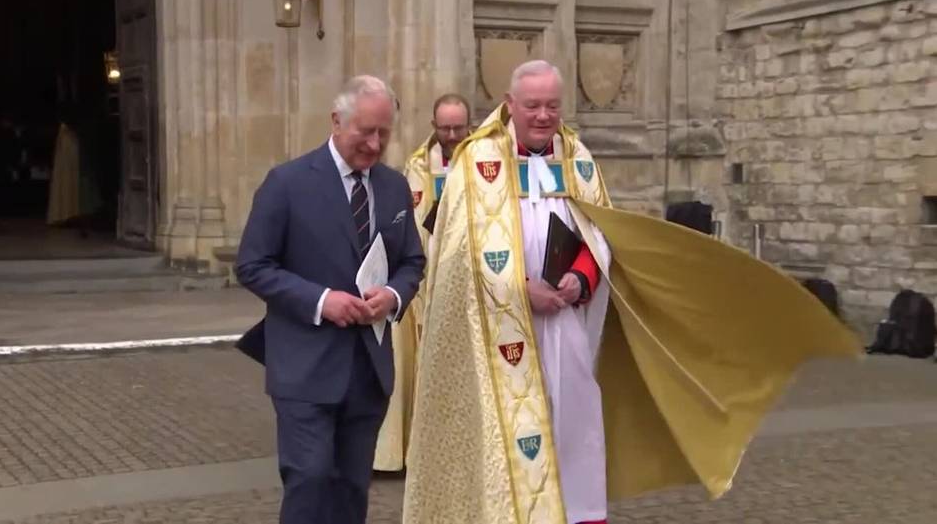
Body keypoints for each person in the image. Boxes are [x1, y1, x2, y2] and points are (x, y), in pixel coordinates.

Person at [402, 60, 860, 524]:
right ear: (510, 105)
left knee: (574, 425)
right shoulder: (476, 162)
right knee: (507, 434)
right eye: (533, 106)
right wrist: (518, 288)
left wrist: (581, 277)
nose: (544, 115)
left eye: (553, 106)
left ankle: (576, 516)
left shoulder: (576, 155)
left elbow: (599, 232)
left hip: (565, 318)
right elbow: (458, 251)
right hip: (498, 330)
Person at [236, 75, 425, 524]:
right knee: (310, 479)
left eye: (384, 132)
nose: (376, 143)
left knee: (351, 489)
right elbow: (252, 264)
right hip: (305, 367)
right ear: (336, 122)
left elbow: (412, 262)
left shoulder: (394, 187)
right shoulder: (286, 183)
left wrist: (394, 296)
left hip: (368, 370)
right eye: (366, 131)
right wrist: (321, 301)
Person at [373, 93, 472, 471]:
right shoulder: (415, 168)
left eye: (457, 128)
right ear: (433, 126)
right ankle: (413, 451)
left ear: (469, 125)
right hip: (422, 285)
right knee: (411, 370)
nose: (450, 135)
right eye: (444, 128)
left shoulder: (485, 164)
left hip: (468, 284)